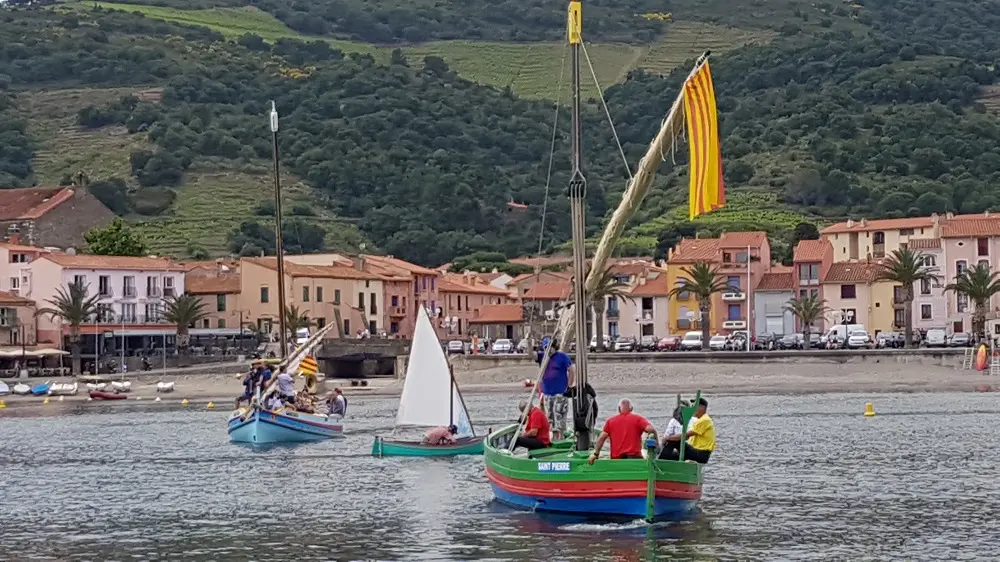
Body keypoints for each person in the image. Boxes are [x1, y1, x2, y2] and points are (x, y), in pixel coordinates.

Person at [588, 398, 657, 464]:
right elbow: (651, 429)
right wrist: (657, 444)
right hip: (635, 459)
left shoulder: (610, 421)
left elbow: (601, 438)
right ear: (631, 409)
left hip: (617, 461)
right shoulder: (638, 419)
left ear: (619, 409)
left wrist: (596, 454)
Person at [538, 339, 574, 438]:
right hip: (547, 392)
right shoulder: (543, 357)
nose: (548, 350)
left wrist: (569, 386)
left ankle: (561, 436)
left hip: (560, 392)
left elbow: (571, 370)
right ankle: (554, 437)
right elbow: (532, 356)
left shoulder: (562, 357)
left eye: (550, 347)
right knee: (550, 417)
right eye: (546, 347)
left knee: (559, 414)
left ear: (554, 347)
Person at [684, 398, 715, 464]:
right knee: (671, 455)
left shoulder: (704, 420)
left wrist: (669, 438)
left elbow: (685, 435)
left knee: (677, 443)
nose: (693, 409)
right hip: (696, 451)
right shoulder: (699, 420)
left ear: (702, 407)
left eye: (695, 406)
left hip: (701, 454)